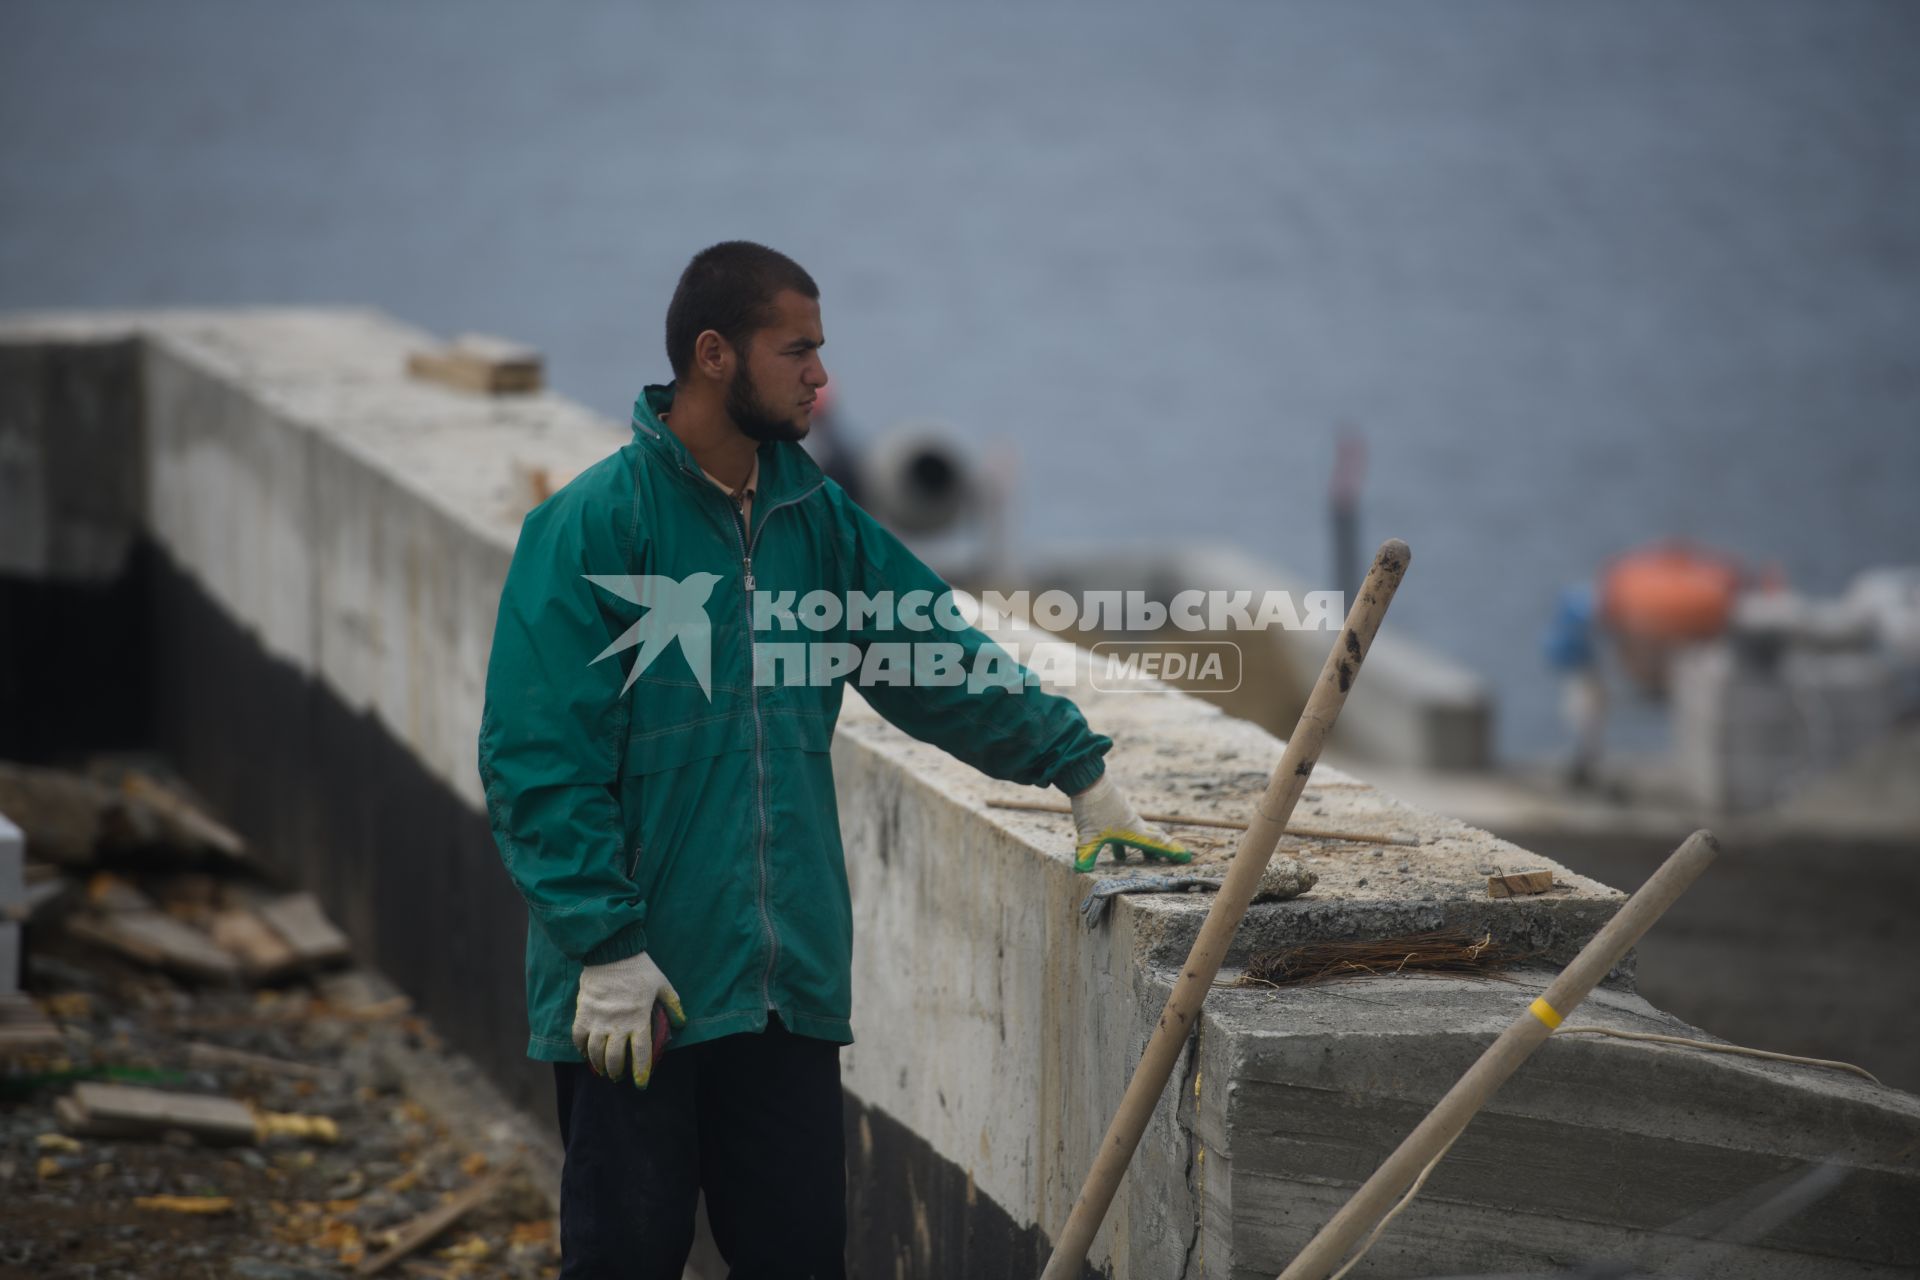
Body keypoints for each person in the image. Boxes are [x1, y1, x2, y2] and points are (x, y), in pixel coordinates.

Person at [476, 241, 1189, 1278]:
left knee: (800, 1258)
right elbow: (537, 758)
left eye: (821, 349)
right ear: (714, 355)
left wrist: (1082, 772)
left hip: (782, 992)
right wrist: (603, 942)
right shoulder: (593, 524)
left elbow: (936, 657)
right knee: (623, 1259)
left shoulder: (819, 525)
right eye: (796, 349)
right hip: (642, 995)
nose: (821, 375)